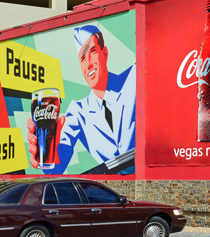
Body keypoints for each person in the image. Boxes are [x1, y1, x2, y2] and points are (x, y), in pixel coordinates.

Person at [27, 24, 135, 174]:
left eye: (93, 52)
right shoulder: (79, 111)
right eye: (83, 58)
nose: (89, 63)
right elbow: (56, 169)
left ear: (105, 53)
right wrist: (48, 154)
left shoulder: (133, 79)